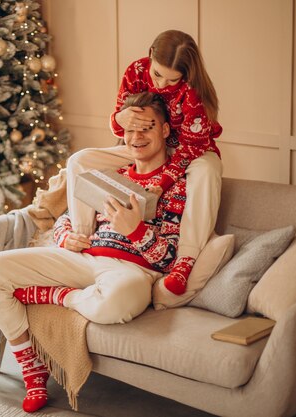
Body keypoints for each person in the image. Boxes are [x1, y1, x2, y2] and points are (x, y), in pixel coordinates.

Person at [0, 92, 188, 413]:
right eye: (129, 129)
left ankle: (55, 297)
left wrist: (135, 229)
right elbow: (66, 219)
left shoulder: (178, 185)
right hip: (84, 258)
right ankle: (32, 368)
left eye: (146, 127)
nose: (136, 137)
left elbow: (169, 258)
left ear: (164, 129)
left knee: (120, 301)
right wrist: (66, 237)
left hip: (131, 270)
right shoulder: (111, 173)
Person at [66, 29, 223, 296]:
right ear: (150, 55)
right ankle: (83, 235)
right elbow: (120, 129)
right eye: (158, 74)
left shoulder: (192, 92)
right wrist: (120, 119)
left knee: (208, 169)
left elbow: (188, 150)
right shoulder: (136, 71)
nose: (161, 85)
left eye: (172, 79)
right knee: (80, 160)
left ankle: (185, 260)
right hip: (148, 142)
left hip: (188, 150)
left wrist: (163, 183)